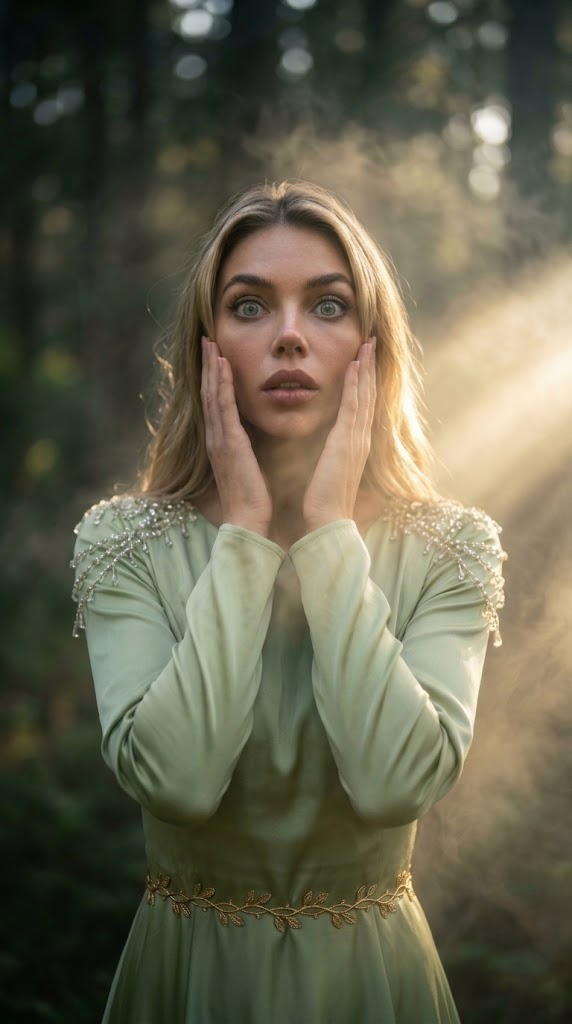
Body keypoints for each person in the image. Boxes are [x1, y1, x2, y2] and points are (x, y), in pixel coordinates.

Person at [71, 180, 506, 1023]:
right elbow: (180, 782)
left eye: (329, 306)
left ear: (372, 348)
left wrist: (330, 534)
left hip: (373, 987)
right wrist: (242, 533)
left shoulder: (452, 547)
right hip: (189, 980)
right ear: (208, 346)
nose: (291, 337)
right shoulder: (124, 541)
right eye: (250, 306)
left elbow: (393, 784)